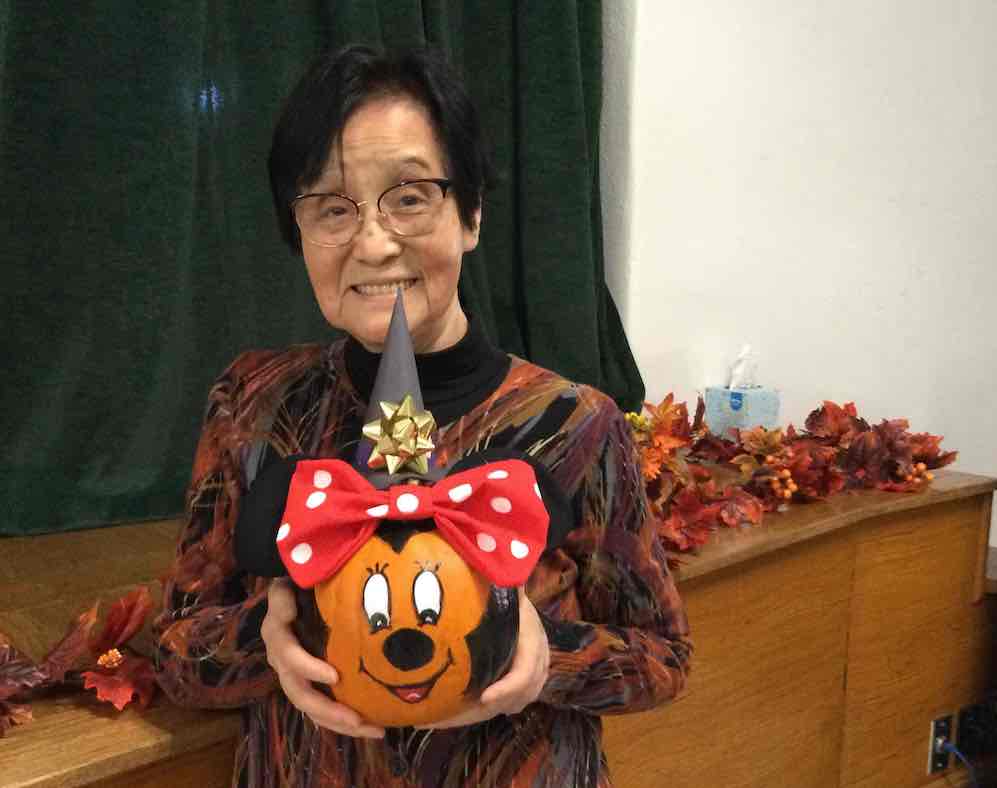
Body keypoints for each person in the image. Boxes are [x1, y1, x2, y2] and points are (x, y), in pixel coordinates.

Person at [153, 44, 692, 787]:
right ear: (298, 231)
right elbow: (178, 646)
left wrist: (545, 653)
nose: (374, 243)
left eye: (409, 197)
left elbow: (663, 657)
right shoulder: (253, 403)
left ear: (469, 213)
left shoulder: (575, 426)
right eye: (333, 208)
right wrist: (265, 637)